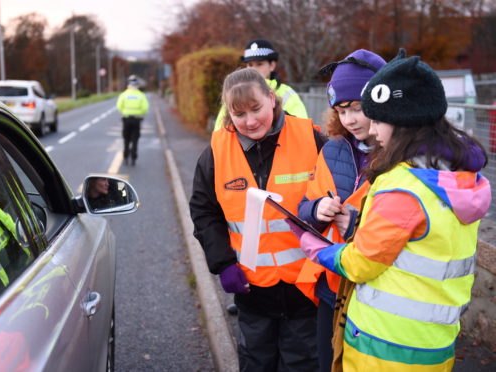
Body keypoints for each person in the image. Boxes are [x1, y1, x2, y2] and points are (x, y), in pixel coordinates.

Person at [292, 49, 491, 371]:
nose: (372, 128)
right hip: (434, 337)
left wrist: (315, 248)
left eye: (375, 116)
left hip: (385, 341)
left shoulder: (401, 183)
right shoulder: (455, 177)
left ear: (402, 120)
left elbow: (362, 263)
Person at [190, 68, 326, 370]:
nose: (250, 121)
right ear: (228, 113)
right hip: (252, 291)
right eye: (239, 114)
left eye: (256, 109)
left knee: (303, 363)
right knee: (256, 363)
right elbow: (204, 211)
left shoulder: (311, 138)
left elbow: (337, 195)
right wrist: (223, 264)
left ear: (271, 98)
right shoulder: (215, 152)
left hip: (307, 287)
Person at [295, 49, 386, 372]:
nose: (350, 119)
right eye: (342, 110)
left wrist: (355, 225)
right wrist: (317, 209)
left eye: (359, 109)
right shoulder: (333, 149)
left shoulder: (400, 152)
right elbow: (301, 210)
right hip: (331, 285)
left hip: (374, 292)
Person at [213, 39, 309, 131]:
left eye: (259, 64)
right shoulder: (235, 93)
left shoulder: (287, 93)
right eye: (250, 65)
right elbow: (221, 132)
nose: (253, 69)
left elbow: (300, 129)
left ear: (272, 65)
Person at [116, 76, 149, 166]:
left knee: (126, 139)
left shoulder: (123, 95)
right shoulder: (141, 95)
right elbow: (145, 108)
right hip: (136, 120)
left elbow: (119, 106)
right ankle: (133, 157)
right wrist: (139, 113)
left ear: (128, 85)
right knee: (135, 139)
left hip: (126, 119)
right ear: (137, 85)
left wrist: (124, 112)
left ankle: (126, 155)